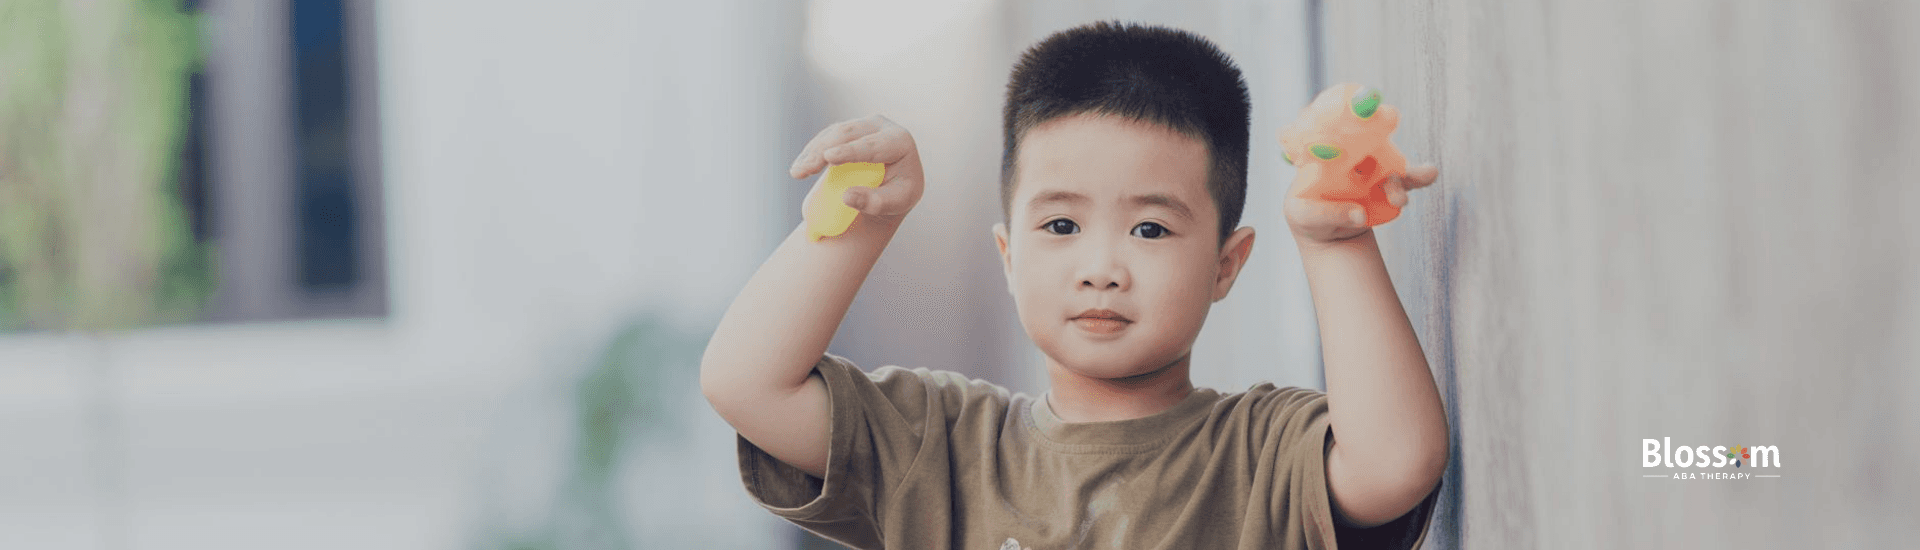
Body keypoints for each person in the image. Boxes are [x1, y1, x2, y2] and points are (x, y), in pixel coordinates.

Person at [701, 20, 1447, 550]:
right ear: (1008, 255)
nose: (1101, 267)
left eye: (1150, 230)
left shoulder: (1259, 453)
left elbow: (1395, 465)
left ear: (1227, 264)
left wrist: (1337, 244)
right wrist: (860, 224)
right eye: (1060, 227)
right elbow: (747, 383)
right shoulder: (939, 448)